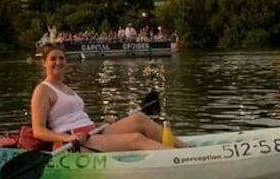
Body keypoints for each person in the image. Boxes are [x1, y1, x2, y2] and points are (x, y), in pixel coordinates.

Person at [31, 44, 179, 152]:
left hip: (93, 132)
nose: (58, 62)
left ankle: (186, 149)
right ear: (44, 63)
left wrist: (99, 123)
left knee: (139, 118)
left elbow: (76, 117)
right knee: (135, 138)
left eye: (61, 58)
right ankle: (177, 158)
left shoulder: (67, 88)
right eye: (53, 59)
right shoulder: (42, 90)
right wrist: (67, 138)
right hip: (74, 142)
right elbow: (38, 130)